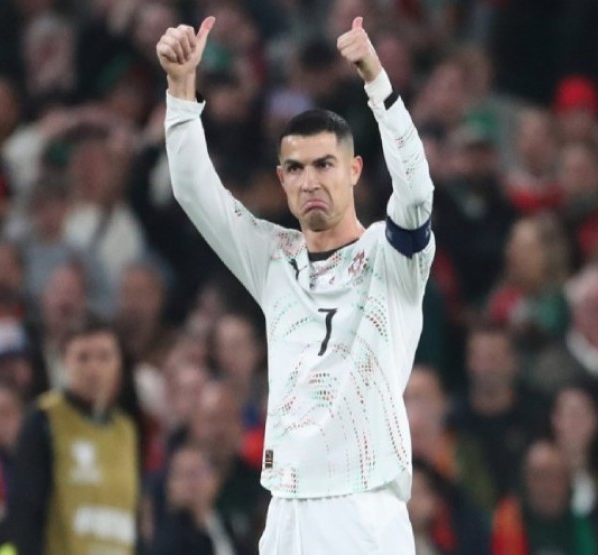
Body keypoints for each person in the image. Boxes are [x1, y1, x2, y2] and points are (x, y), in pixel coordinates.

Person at [157, 12, 434, 554]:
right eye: (297, 168)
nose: (311, 181)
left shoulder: (392, 257)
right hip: (285, 508)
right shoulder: (272, 258)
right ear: (282, 179)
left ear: (354, 170)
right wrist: (181, 89)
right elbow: (194, 190)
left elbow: (417, 192)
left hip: (362, 508)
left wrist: (376, 80)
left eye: (325, 164)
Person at [0, 317, 139, 554]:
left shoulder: (126, 431)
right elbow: (25, 513)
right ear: (65, 362)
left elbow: (132, 517)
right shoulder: (45, 420)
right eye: (83, 358)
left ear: (119, 364)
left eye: (104, 357)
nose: (94, 369)